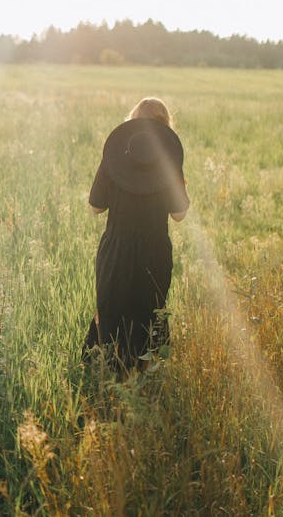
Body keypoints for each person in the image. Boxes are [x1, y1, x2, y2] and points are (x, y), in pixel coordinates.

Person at [84, 97, 189, 373]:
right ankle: (144, 374)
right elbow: (179, 215)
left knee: (111, 308)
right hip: (154, 251)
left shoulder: (115, 159)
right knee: (149, 310)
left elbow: (95, 207)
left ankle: (107, 370)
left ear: (133, 122)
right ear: (166, 127)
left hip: (116, 248)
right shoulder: (168, 163)